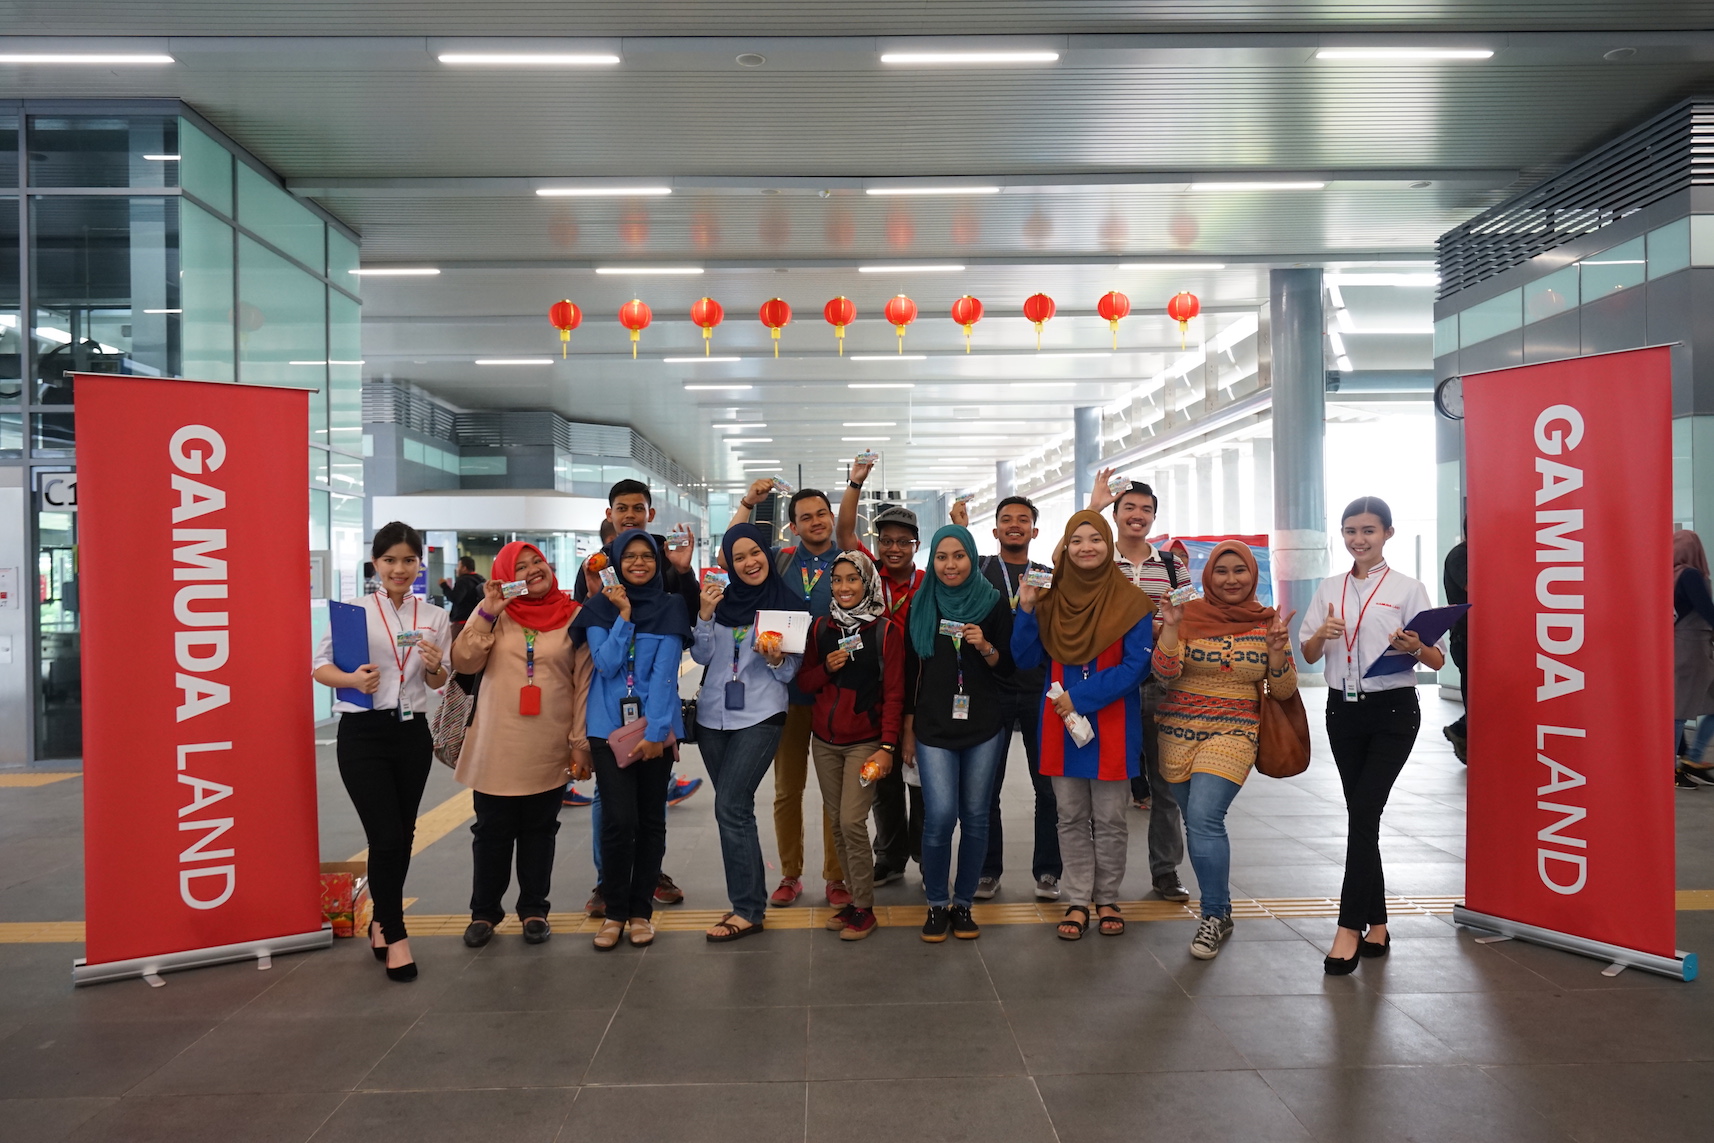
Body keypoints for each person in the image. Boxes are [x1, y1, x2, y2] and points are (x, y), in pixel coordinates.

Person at [1299, 496, 1446, 974]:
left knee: (1363, 812)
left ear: (1388, 533)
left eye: (1368, 530)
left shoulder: (1407, 588)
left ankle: (1348, 927)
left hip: (1393, 714)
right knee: (1363, 817)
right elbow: (1307, 653)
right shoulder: (1329, 588)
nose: (1358, 540)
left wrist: (1414, 645)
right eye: (1350, 531)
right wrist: (1322, 633)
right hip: (1342, 713)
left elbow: (1437, 660)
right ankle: (1378, 922)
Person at [311, 521, 451, 983]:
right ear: (375, 564)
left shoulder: (433, 616)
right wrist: (353, 681)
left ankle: (378, 920)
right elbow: (320, 667)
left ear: (418, 565)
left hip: (411, 734)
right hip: (362, 735)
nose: (399, 568)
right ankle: (396, 933)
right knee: (386, 834)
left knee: (402, 835)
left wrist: (434, 668)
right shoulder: (352, 612)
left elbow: (438, 681)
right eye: (390, 560)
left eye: (408, 560)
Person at [1013, 511, 1155, 940]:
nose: (1086, 547)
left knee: (1111, 817)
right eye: (1077, 540)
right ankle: (1077, 898)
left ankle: (1107, 896)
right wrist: (1025, 609)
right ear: (1066, 548)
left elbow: (1136, 666)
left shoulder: (1131, 602)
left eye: (1095, 538)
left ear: (1108, 544)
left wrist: (1083, 697)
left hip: (1111, 722)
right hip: (1061, 724)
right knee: (1070, 816)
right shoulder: (1051, 599)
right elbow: (1023, 658)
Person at [1153, 540, 1297, 959]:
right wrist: (1172, 628)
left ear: (1253, 575)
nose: (1231, 579)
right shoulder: (1188, 615)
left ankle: (1213, 915)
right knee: (1193, 822)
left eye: (1240, 571)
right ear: (1208, 575)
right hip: (1176, 733)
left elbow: (1283, 690)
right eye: (1222, 571)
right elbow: (1164, 674)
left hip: (1235, 733)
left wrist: (1275, 655)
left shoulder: (1267, 621)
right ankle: (1224, 909)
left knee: (1204, 817)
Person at [451, 540, 587, 948]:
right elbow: (463, 662)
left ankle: (533, 909)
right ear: (508, 576)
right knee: (491, 830)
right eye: (522, 566)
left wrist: (579, 742)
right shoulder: (494, 613)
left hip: (549, 741)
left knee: (539, 831)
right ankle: (484, 912)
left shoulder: (574, 615)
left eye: (538, 561)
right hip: (497, 741)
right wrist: (488, 612)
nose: (533, 570)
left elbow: (583, 683)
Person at [575, 481, 701, 913]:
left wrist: (682, 570)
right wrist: (614, 611)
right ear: (609, 513)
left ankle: (645, 880)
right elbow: (596, 652)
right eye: (622, 508)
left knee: (650, 813)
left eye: (638, 508)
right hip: (608, 717)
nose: (630, 514)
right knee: (613, 812)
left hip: (652, 716)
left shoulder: (665, 561)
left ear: (650, 512)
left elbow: (683, 627)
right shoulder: (594, 570)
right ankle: (608, 885)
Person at [727, 481, 849, 908]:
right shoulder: (778, 561)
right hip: (787, 690)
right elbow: (733, 550)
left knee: (835, 793)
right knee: (787, 789)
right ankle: (791, 874)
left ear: (832, 518)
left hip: (837, 692)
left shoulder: (849, 563)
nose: (815, 522)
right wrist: (746, 504)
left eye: (821, 514)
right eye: (805, 518)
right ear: (793, 528)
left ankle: (837, 876)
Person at [692, 523, 809, 941]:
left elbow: (791, 672)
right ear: (730, 562)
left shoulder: (787, 605)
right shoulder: (718, 602)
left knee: (731, 805)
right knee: (734, 810)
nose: (749, 562)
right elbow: (702, 655)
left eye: (754, 553)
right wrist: (704, 616)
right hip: (711, 719)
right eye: (738, 557)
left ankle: (746, 909)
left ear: (766, 553)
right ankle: (751, 902)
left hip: (761, 716)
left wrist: (777, 660)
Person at [905, 524, 1015, 942]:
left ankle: (963, 903)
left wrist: (985, 646)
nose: (950, 565)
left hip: (984, 726)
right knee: (940, 818)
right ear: (932, 562)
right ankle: (936, 905)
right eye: (941, 557)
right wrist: (907, 730)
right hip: (933, 727)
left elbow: (1008, 668)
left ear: (972, 557)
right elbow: (909, 673)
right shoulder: (923, 602)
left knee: (976, 817)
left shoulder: (992, 604)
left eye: (958, 556)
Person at [1087, 470, 1192, 903]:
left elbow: (1187, 621)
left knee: (1166, 783)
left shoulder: (1171, 565)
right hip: (1111, 685)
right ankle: (1098, 874)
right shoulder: (1097, 558)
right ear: (1114, 515)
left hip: (1163, 684)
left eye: (1146, 510)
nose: (1138, 515)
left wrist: (1159, 629)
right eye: (1129, 507)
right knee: (1104, 782)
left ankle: (1165, 871)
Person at [950, 495, 1062, 902]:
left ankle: (1048, 870)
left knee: (1047, 787)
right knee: (984, 788)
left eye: (1024, 520)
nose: (1015, 525)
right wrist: (960, 529)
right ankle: (986, 869)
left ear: (1034, 530)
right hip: (990, 689)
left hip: (1039, 689)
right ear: (995, 530)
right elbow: (952, 573)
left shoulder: (1048, 576)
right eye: (1006, 520)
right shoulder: (980, 570)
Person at [795, 550, 905, 939]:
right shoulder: (820, 628)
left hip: (865, 743)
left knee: (851, 821)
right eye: (837, 580)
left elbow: (895, 694)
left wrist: (887, 747)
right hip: (824, 742)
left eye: (852, 579)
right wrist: (827, 667)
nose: (844, 587)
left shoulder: (886, 631)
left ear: (867, 582)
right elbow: (804, 683)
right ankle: (855, 900)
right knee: (836, 825)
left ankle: (864, 907)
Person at [837, 457, 927, 887]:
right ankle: (889, 857)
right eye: (887, 540)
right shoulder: (870, 576)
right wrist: (855, 484)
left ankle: (926, 854)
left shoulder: (928, 584)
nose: (894, 548)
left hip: (923, 692)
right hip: (879, 693)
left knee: (923, 783)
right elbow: (843, 535)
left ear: (915, 545)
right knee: (884, 782)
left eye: (903, 542)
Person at [1672, 530, 1714, 788]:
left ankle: (1691, 759)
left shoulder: (1670, 576)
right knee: (1680, 711)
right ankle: (1674, 768)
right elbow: (1706, 609)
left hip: (1683, 647)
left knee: (1685, 707)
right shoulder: (1690, 575)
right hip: (1693, 649)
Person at [1442, 534, 1469, 764]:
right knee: (1477, 700)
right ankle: (1461, 731)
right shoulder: (1460, 555)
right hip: (1467, 639)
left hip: (1488, 639)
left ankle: (1461, 730)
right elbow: (1475, 586)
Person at [447, 555, 486, 630]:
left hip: (462, 621)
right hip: (476, 620)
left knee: (453, 641)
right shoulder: (481, 580)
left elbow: (455, 598)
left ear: (464, 568)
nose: (456, 569)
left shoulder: (463, 581)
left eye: (458, 566)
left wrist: (444, 586)